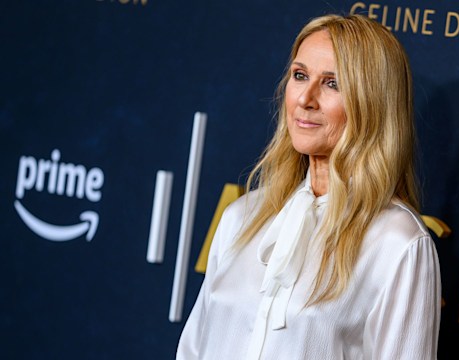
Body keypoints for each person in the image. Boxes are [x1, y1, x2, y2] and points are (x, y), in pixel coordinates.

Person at [177, 14, 440, 360]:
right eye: (300, 76)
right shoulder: (241, 217)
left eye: (332, 83)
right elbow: (193, 350)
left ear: (372, 103)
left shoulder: (398, 244)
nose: (306, 98)